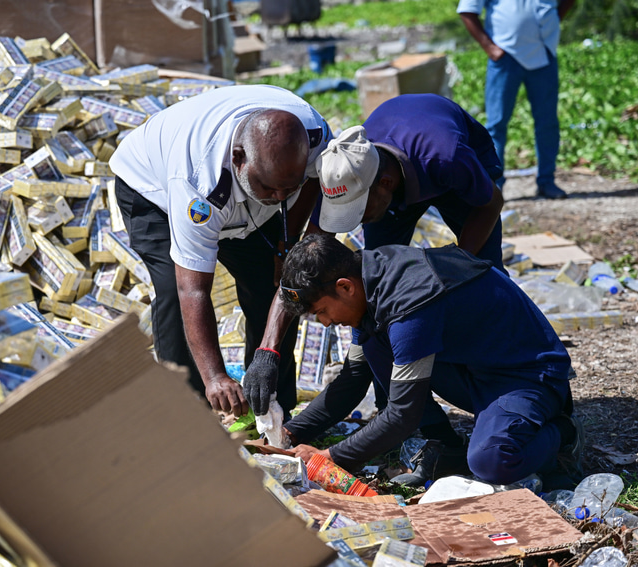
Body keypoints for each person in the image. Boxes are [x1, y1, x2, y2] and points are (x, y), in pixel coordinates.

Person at [244, 94, 505, 483]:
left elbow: (490, 203)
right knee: (375, 317)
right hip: (392, 178)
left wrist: (458, 269)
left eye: (360, 212)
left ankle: (500, 396)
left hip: (453, 172)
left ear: (385, 185)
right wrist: (269, 353)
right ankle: (412, 421)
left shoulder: (446, 157)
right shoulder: (345, 171)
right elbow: (304, 268)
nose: (325, 322)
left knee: (481, 285)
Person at [278, 235, 584, 488]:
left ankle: (564, 434)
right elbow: (353, 378)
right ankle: (447, 446)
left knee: (491, 461)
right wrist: (289, 433)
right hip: (475, 368)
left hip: (527, 375)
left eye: (321, 312)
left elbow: (403, 414)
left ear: (345, 287)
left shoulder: (408, 301)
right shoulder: (369, 284)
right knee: (375, 344)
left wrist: (331, 457)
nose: (326, 322)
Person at [109, 84, 332, 417]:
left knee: (275, 285)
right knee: (172, 293)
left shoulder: (314, 136)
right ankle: (187, 413)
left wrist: (287, 243)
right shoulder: (199, 186)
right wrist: (215, 377)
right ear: (238, 158)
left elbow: (313, 178)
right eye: (270, 187)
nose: (280, 198)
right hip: (153, 192)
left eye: (290, 188)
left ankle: (272, 409)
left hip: (245, 196)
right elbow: (192, 290)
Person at [459, 0, 576, 199]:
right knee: (496, 124)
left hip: (544, 54)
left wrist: (553, 20)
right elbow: (467, 11)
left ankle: (546, 181)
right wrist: (490, 47)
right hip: (505, 56)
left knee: (547, 123)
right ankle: (495, 187)